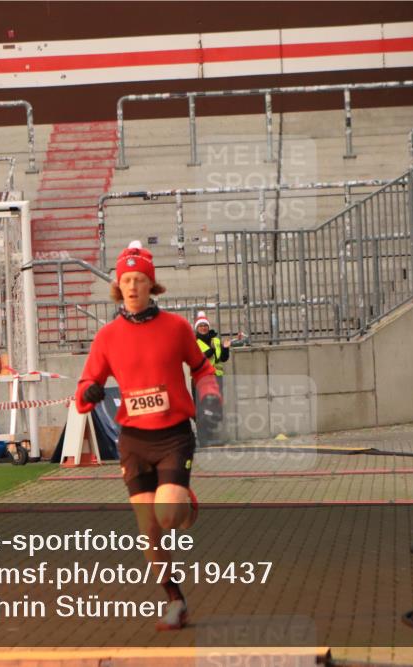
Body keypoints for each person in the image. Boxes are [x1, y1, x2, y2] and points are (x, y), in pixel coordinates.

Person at [74, 241, 223, 631]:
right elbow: (86, 385)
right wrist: (89, 393)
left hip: (173, 436)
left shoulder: (176, 327)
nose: (133, 286)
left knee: (168, 513)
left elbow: (203, 368)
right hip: (134, 441)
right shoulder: (107, 336)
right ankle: (175, 600)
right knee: (150, 532)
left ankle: (185, 501)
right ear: (118, 287)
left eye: (140, 279)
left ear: (151, 285)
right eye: (126, 280)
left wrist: (209, 398)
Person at [191, 311, 243, 444]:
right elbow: (206, 355)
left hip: (216, 378)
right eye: (201, 325)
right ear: (197, 328)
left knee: (215, 409)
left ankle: (209, 435)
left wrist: (225, 348)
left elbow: (223, 358)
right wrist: (214, 348)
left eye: (205, 325)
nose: (203, 327)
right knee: (203, 408)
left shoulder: (215, 340)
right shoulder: (194, 341)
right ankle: (204, 438)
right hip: (201, 379)